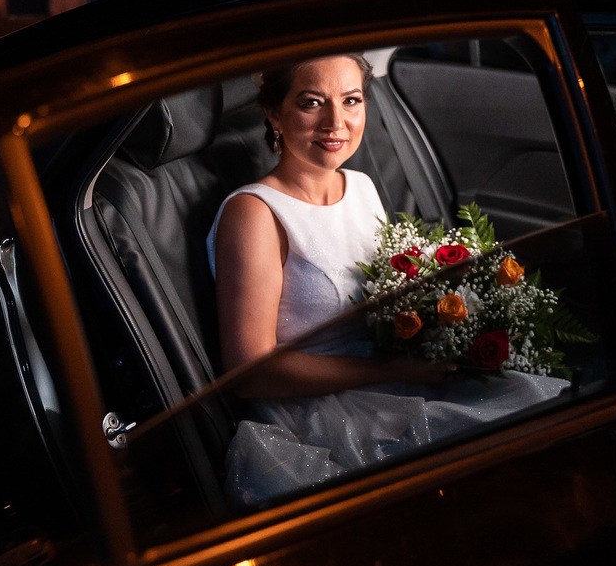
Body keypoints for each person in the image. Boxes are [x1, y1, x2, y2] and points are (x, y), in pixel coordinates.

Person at [207, 55, 568, 506]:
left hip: (388, 375)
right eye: (311, 102)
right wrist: (394, 370)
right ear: (274, 112)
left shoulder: (360, 186)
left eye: (351, 100)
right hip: (317, 410)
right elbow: (250, 374)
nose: (335, 122)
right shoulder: (255, 214)